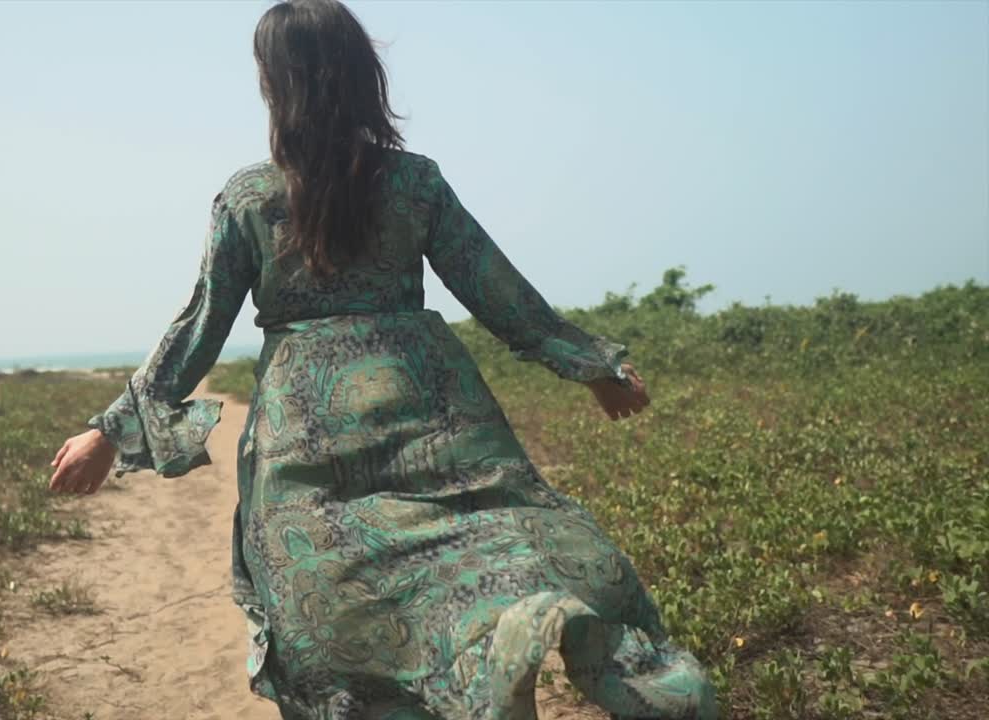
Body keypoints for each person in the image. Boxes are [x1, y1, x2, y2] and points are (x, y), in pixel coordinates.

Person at [49, 1, 717, 718]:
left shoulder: (248, 197)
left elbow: (198, 328)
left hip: (307, 432)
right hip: (433, 404)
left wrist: (109, 431)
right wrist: (592, 366)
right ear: (362, 74)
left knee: (325, 605)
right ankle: (513, 642)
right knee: (503, 543)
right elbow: (495, 288)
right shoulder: (416, 183)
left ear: (277, 83)